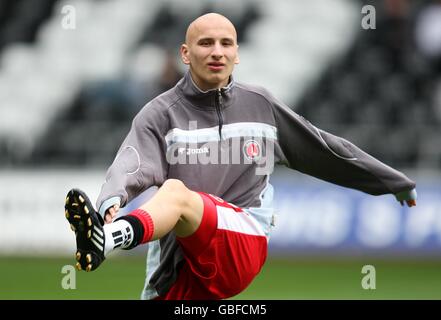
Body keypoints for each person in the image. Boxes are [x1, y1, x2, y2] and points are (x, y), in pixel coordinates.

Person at [64, 13, 417, 300]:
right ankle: (105, 236)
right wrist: (112, 197)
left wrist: (392, 181)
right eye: (206, 43)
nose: (217, 51)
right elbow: (132, 160)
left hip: (243, 241)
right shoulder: (160, 113)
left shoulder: (261, 105)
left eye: (226, 43)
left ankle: (106, 240)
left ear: (237, 53)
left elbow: (325, 149)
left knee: (173, 193)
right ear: (185, 53)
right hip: (180, 262)